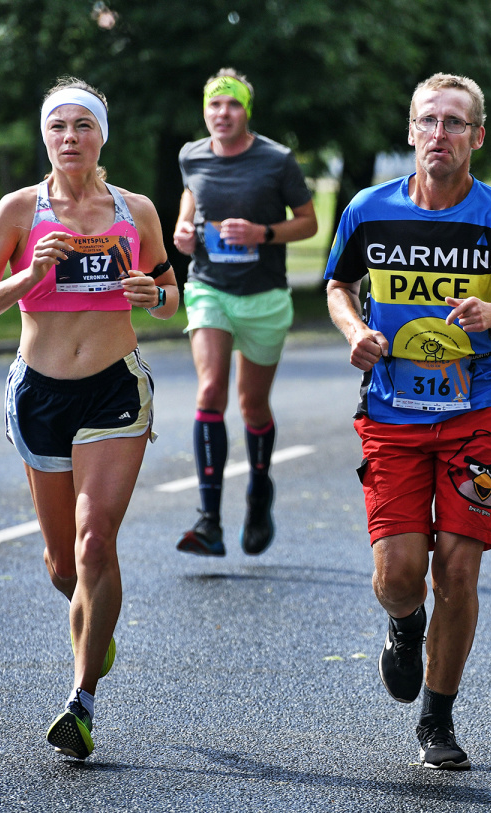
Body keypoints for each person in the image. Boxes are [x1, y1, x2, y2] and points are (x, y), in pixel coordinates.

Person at [325, 73, 491, 770]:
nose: (440, 134)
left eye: (455, 123)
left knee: (458, 568)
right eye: (428, 120)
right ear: (410, 131)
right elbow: (337, 286)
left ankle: (438, 716)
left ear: (477, 137)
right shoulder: (369, 211)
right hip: (391, 414)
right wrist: (354, 331)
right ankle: (405, 623)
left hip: (476, 413)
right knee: (398, 574)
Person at [0, 77, 178, 761]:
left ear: (101, 136)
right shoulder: (19, 211)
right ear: (45, 137)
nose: (70, 138)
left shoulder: (135, 211)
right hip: (40, 394)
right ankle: (96, 630)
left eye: (83, 125)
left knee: (94, 541)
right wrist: (28, 276)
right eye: (58, 127)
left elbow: (171, 292)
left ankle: (81, 701)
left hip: (115, 390)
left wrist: (152, 295)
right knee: (64, 568)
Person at [173, 68, 318, 557]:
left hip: (264, 296)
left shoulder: (277, 160)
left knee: (252, 405)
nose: (223, 113)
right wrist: (183, 230)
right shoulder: (191, 155)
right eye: (214, 105)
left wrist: (263, 234)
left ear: (246, 111)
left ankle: (258, 491)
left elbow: (309, 222)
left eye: (232, 104)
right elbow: (190, 197)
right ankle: (209, 520)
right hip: (209, 287)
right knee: (210, 390)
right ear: (205, 111)